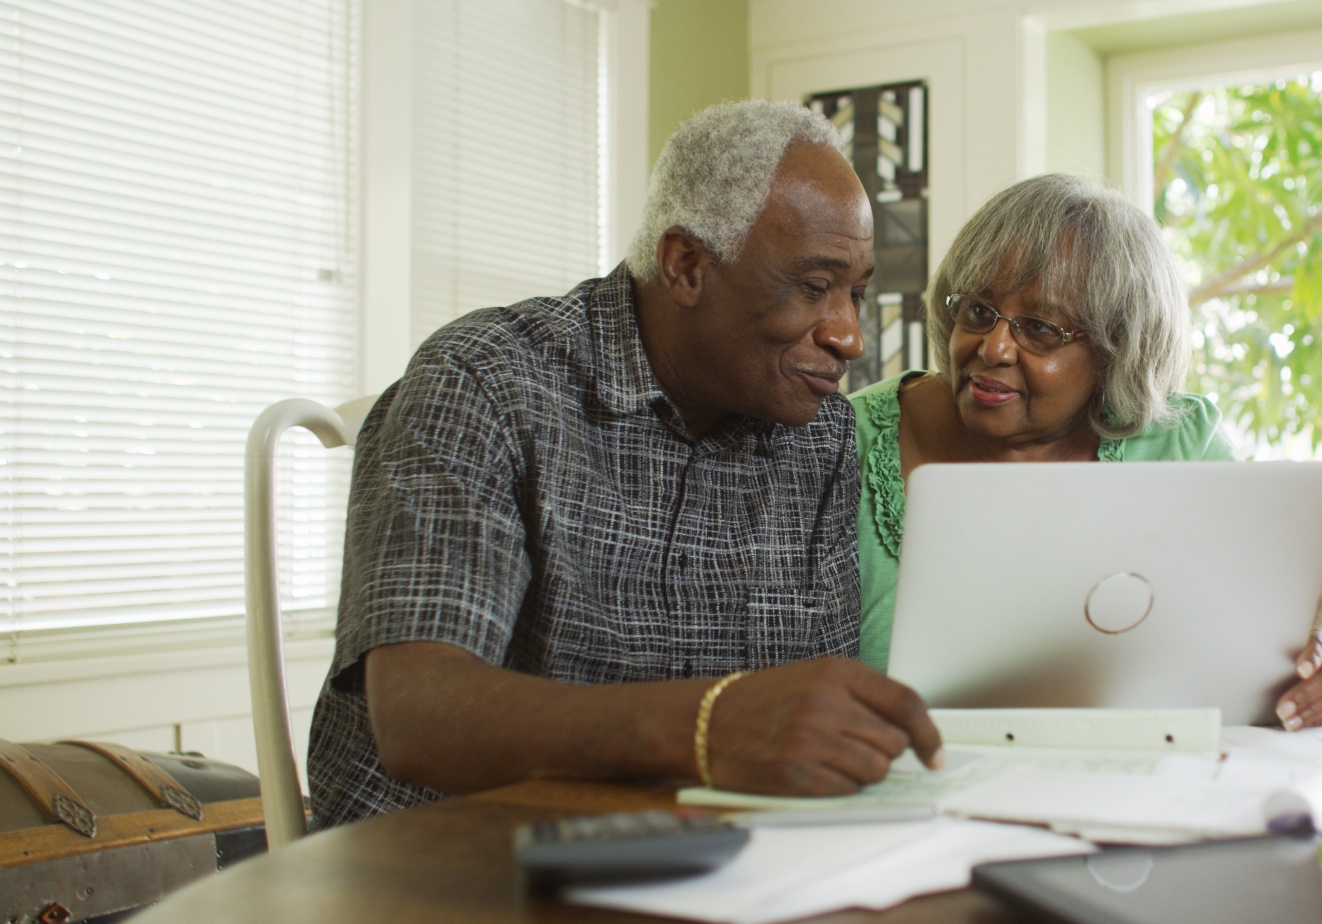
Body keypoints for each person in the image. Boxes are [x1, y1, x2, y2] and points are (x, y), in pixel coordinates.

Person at [307, 101, 941, 829]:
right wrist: (710, 726)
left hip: (693, 854)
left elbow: (795, 725)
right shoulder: (483, 381)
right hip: (445, 861)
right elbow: (420, 714)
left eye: (855, 294)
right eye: (812, 287)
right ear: (686, 265)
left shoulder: (819, 436)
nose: (849, 337)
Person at [851, 174, 1322, 730]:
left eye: (1039, 329)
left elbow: (1320, 593)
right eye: (978, 311)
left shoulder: (1177, 441)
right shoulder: (846, 439)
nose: (993, 348)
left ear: (1114, 351)